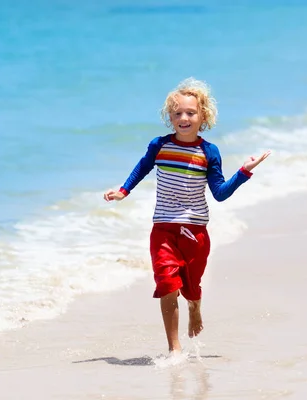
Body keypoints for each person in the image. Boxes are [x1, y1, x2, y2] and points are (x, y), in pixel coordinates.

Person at [103, 77, 271, 354]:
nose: (184, 117)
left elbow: (219, 193)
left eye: (190, 112)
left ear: (202, 115)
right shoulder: (159, 145)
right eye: (177, 113)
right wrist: (123, 191)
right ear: (170, 117)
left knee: (191, 287)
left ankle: (195, 307)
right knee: (167, 282)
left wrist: (244, 172)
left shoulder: (208, 151)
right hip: (164, 228)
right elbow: (142, 168)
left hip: (195, 231)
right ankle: (174, 348)